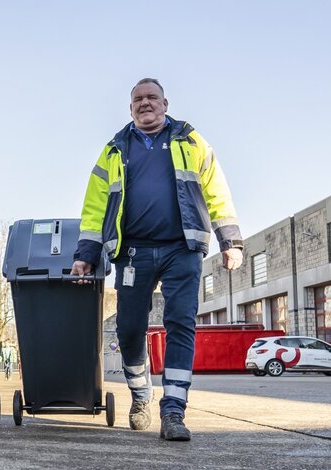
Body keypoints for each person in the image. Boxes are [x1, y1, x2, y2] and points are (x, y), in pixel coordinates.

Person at [71, 78, 244, 441]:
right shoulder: (115, 150)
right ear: (130, 107)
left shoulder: (191, 141)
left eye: (151, 97)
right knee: (130, 329)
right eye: (138, 99)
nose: (145, 103)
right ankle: (140, 394)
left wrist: (231, 241)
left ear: (165, 102)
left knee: (181, 323)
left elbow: (216, 191)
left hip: (182, 248)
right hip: (133, 252)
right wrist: (86, 254)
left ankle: (174, 412)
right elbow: (94, 207)